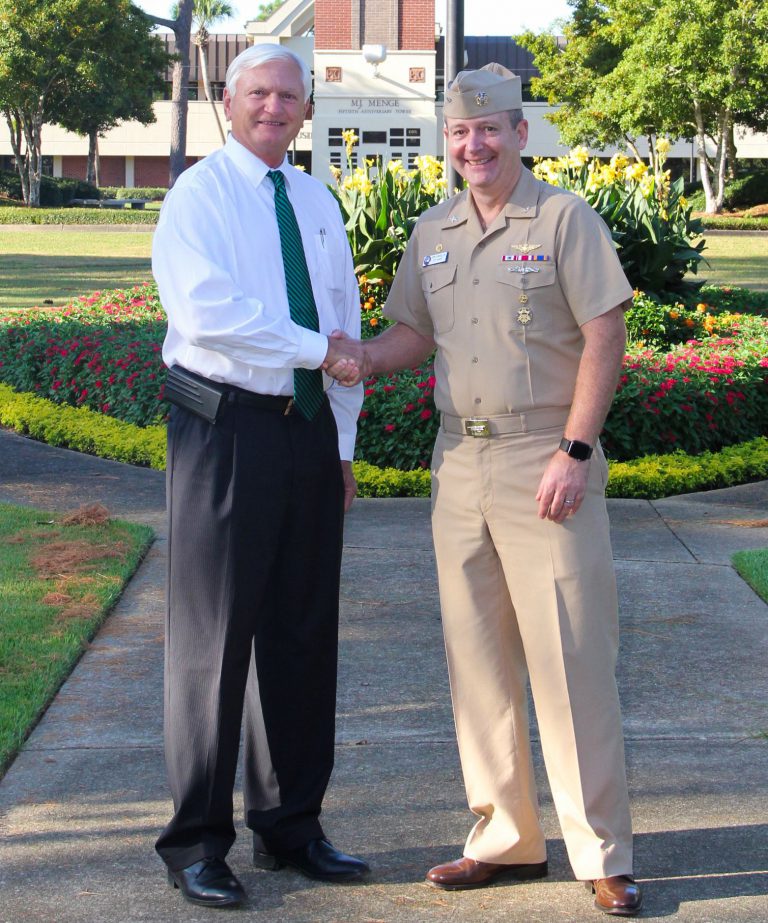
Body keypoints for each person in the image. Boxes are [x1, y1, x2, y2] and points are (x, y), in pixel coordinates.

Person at [328, 63, 642, 916]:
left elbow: (605, 333)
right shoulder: (432, 229)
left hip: (546, 460)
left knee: (572, 660)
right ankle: (505, 838)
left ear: (519, 133)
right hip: (457, 466)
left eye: (490, 130)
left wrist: (577, 450)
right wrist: (352, 355)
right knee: (479, 665)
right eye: (460, 133)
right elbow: (409, 334)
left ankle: (599, 852)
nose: (474, 145)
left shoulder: (564, 218)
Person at [152, 44, 370, 908]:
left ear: (306, 108)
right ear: (231, 102)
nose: (275, 107)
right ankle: (197, 842)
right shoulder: (197, 196)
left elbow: (345, 316)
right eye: (260, 94)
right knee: (214, 643)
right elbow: (209, 313)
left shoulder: (316, 199)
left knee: (303, 632)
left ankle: (290, 825)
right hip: (226, 432)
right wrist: (321, 354)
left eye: (290, 95)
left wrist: (345, 445)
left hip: (309, 435)